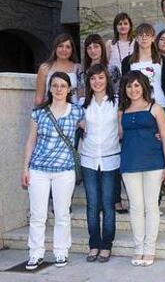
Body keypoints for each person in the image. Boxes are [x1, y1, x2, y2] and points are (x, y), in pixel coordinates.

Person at [22, 72, 84, 270]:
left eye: (62, 86)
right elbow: (31, 140)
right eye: (55, 85)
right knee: (38, 214)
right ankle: (35, 253)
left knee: (62, 213)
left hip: (64, 170)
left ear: (69, 89)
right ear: (49, 88)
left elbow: (93, 131)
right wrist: (25, 168)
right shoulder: (38, 113)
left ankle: (61, 252)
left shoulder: (76, 111)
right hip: (38, 169)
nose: (58, 89)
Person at [118, 71, 165, 266]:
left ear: (143, 86)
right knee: (136, 207)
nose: (133, 89)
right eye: (129, 86)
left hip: (153, 162)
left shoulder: (155, 108)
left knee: (151, 206)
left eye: (136, 85)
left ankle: (150, 248)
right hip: (129, 163)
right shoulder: (122, 111)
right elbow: (118, 136)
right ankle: (138, 247)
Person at [80, 64, 120, 262]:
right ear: (89, 81)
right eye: (93, 78)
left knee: (107, 203)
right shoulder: (81, 103)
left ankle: (107, 245)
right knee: (92, 205)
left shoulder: (117, 103)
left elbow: (123, 128)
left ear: (107, 80)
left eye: (101, 78)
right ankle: (94, 244)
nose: (97, 82)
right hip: (88, 160)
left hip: (111, 159)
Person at [121, 23, 165, 108]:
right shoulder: (127, 62)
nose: (144, 38)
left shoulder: (162, 60)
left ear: (153, 38)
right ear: (136, 38)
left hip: (160, 104)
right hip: (137, 107)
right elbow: (124, 86)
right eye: (141, 35)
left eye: (148, 35)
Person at [34, 33, 82, 106]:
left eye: (68, 47)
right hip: (50, 110)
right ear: (55, 48)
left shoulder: (78, 68)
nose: (64, 50)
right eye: (60, 46)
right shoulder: (44, 68)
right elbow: (39, 99)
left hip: (73, 112)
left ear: (72, 50)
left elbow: (81, 96)